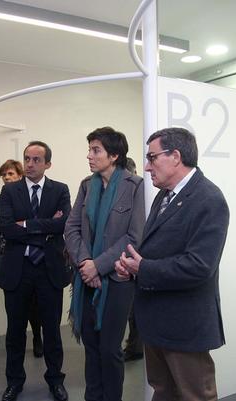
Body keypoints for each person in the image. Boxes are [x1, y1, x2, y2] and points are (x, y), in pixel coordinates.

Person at [115, 127, 230, 401]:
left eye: (152, 157)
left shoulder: (209, 199)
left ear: (175, 156)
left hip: (184, 325)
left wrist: (142, 269)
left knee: (195, 395)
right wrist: (132, 268)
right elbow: (158, 249)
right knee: (163, 391)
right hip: (157, 321)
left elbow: (199, 266)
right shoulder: (165, 195)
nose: (146, 166)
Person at [65, 127, 145, 401]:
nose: (89, 155)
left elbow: (134, 237)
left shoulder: (135, 187)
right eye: (89, 149)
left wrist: (98, 266)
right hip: (86, 277)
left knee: (110, 350)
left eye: (95, 150)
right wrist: (85, 262)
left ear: (114, 155)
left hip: (118, 281)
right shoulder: (87, 185)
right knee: (91, 348)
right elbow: (72, 228)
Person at [0, 141, 72, 401]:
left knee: (52, 331)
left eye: (36, 160)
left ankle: (56, 380)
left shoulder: (60, 190)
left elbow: (63, 224)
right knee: (15, 332)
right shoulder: (9, 191)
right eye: (27, 159)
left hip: (49, 270)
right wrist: (46, 227)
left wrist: (26, 225)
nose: (29, 164)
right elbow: (7, 229)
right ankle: (14, 382)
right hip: (18, 271)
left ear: (47, 164)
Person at [0, 159, 44, 358]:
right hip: (4, 256)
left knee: (33, 303)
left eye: (10, 174)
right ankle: (17, 342)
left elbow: (32, 227)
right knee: (12, 303)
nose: (7, 177)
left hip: (26, 255)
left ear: (20, 176)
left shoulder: (28, 197)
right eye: (4, 174)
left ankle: (37, 336)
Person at [120, 157, 144, 363]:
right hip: (127, 259)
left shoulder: (142, 193)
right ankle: (135, 346)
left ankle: (135, 347)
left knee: (135, 311)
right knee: (132, 311)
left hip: (138, 260)